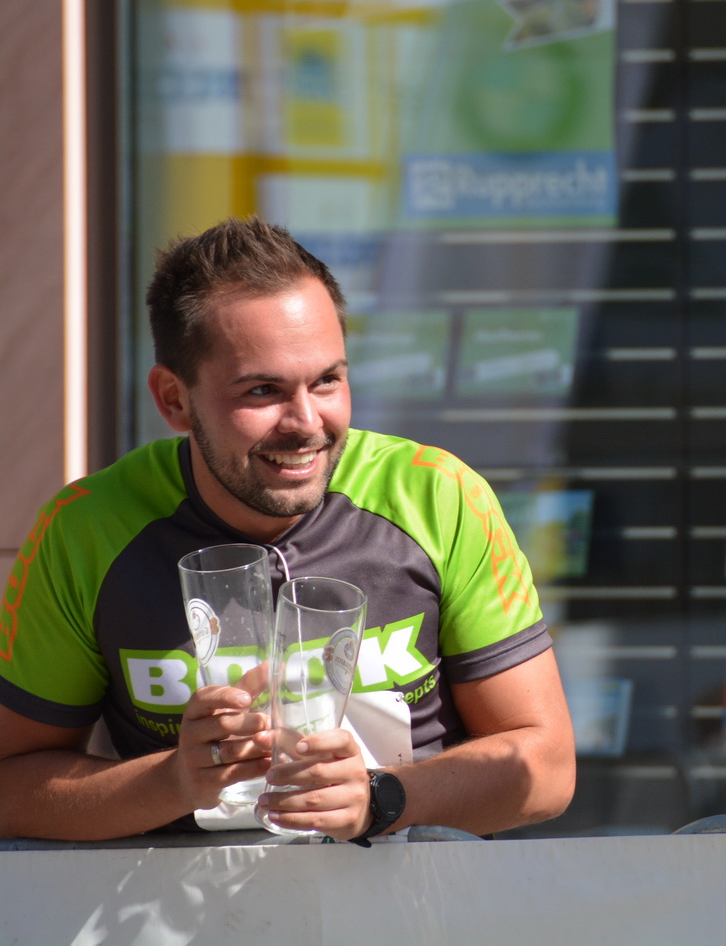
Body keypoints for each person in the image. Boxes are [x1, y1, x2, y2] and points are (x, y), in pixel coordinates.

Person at [0, 218, 576, 842]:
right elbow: (10, 779)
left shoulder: (435, 494)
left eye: (327, 379)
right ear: (174, 400)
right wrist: (172, 781)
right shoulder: (86, 527)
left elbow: (545, 768)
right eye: (263, 390)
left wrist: (384, 797)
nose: (306, 422)